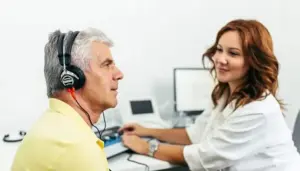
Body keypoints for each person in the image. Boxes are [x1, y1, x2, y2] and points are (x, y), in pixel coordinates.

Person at [119, 19, 300, 171]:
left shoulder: (258, 110)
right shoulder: (225, 94)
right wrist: (147, 131)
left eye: (233, 53)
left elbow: (205, 157)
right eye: (219, 49)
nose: (220, 59)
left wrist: (146, 147)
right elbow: (196, 134)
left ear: (254, 60)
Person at [11, 28, 123, 171]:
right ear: (72, 78)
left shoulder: (53, 124)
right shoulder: (77, 147)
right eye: (106, 65)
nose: (119, 74)